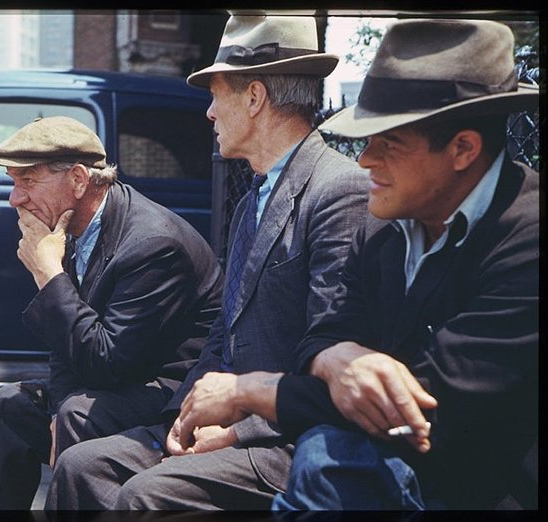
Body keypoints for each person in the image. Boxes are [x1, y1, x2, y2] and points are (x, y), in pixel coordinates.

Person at [174, 18, 539, 510]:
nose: (365, 160)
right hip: (393, 471)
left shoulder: (527, 239)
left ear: (463, 149)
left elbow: (426, 403)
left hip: (489, 492)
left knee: (327, 462)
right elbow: (321, 334)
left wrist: (251, 390)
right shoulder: (386, 224)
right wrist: (336, 356)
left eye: (388, 143)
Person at [45, 14, 369, 510]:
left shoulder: (337, 190)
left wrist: (238, 430)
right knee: (80, 466)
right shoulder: (252, 201)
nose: (210, 113)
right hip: (231, 423)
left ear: (255, 97)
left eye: (217, 95)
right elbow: (224, 336)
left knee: (144, 494)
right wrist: (185, 417)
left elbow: (331, 352)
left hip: (290, 440)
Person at [0, 116, 223, 510]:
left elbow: (106, 364)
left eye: (28, 181)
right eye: (13, 182)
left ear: (78, 180)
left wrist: (48, 274)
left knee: (80, 412)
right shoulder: (71, 225)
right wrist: (56, 410)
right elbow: (65, 347)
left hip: (169, 393)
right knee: (9, 407)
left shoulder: (152, 243)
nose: (15, 199)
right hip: (115, 378)